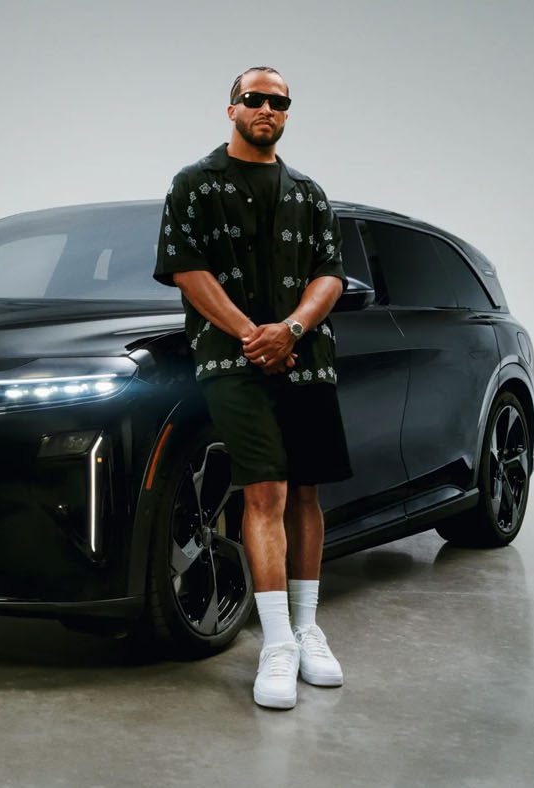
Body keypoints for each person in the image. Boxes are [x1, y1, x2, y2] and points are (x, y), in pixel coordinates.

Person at [153, 66, 352, 709]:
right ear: (231, 107)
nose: (267, 108)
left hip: (308, 358)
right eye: (255, 99)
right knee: (263, 490)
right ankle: (276, 645)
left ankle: (308, 627)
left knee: (306, 494)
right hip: (231, 361)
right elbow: (188, 269)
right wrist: (251, 335)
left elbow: (330, 276)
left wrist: (289, 329)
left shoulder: (309, 192)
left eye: (279, 101)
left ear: (287, 113)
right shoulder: (194, 183)